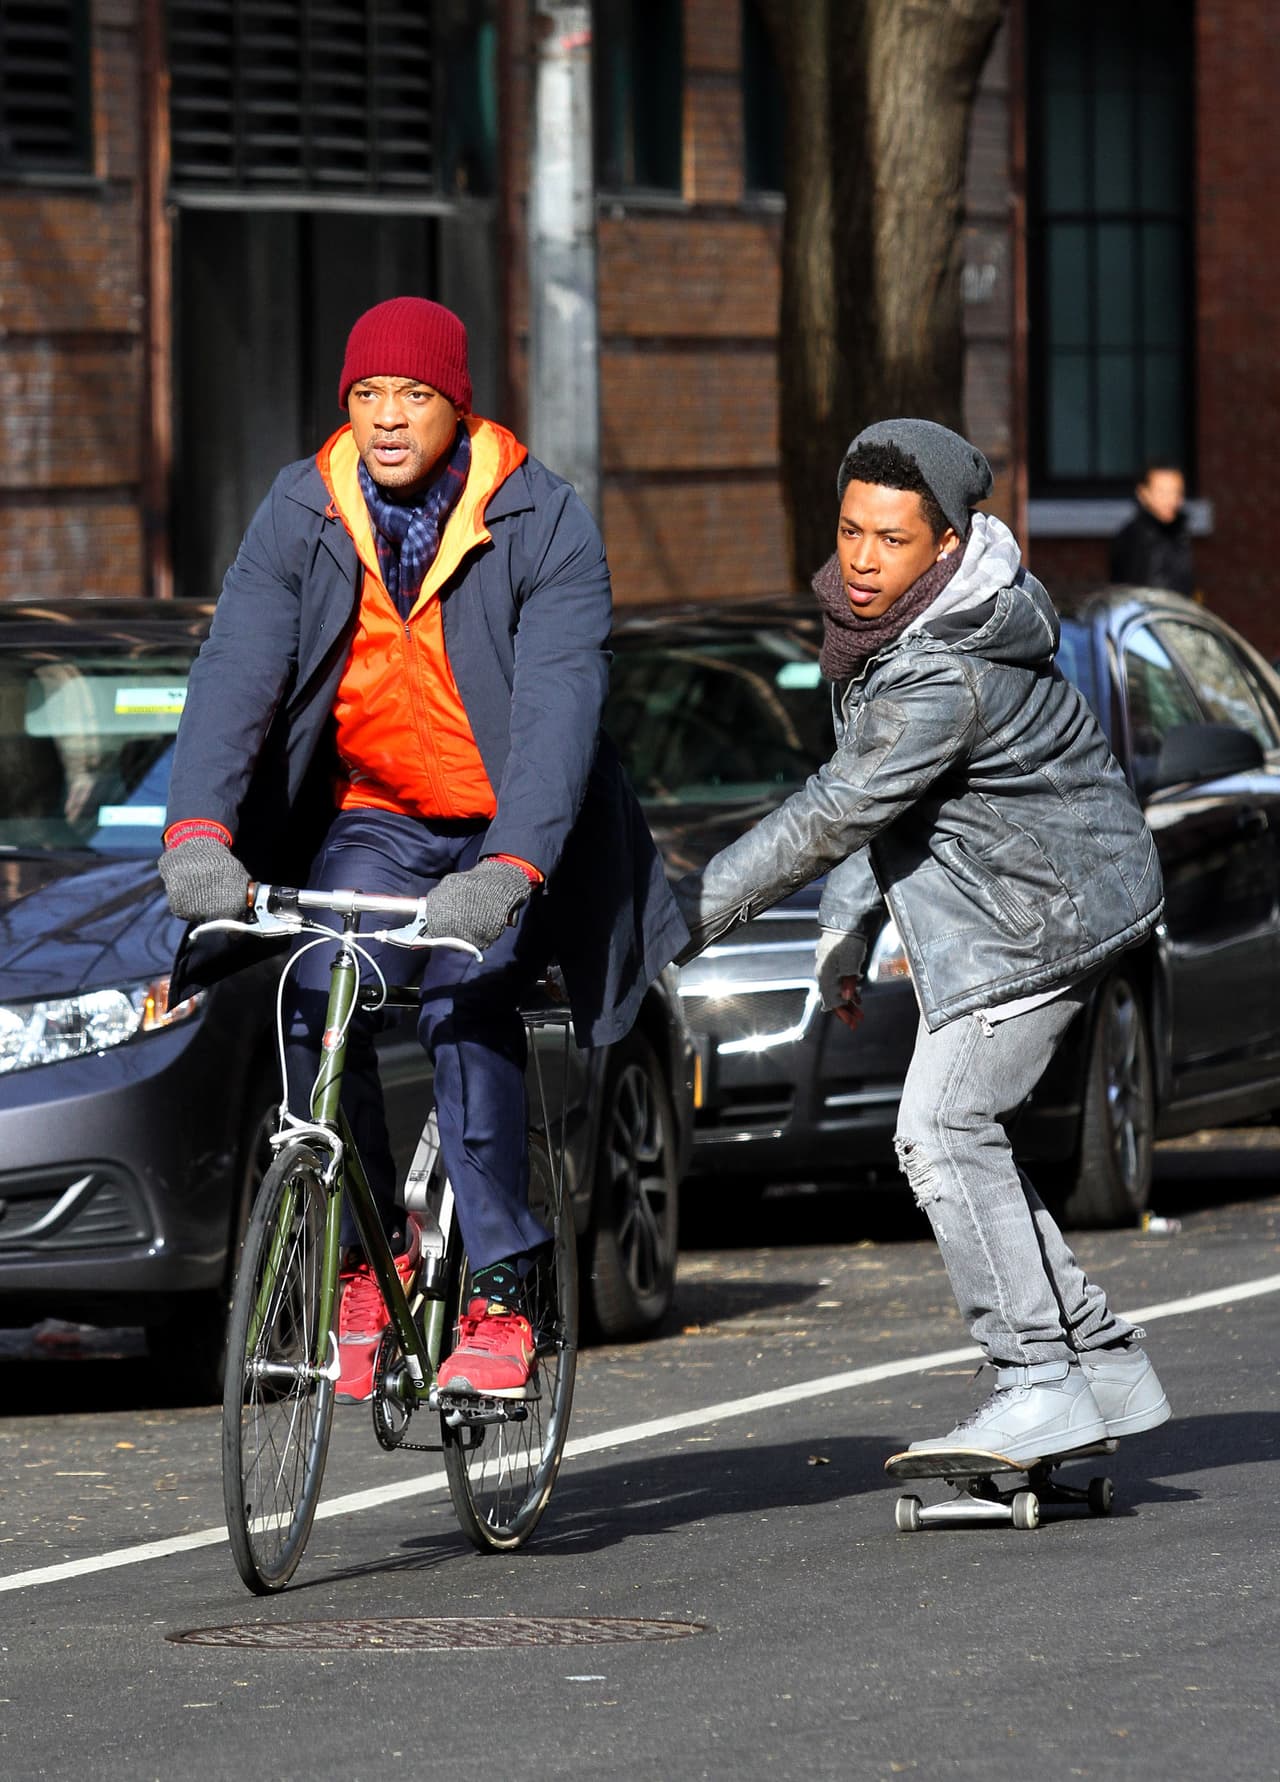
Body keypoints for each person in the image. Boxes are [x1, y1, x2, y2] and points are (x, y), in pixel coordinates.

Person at [159, 296, 684, 1404]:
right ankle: (362, 1259)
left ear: (457, 405)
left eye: (412, 396)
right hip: (380, 815)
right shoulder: (302, 508)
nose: (386, 419)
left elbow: (557, 710)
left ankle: (500, 1285)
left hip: (506, 829)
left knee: (465, 995)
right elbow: (235, 672)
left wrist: (509, 869)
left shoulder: (538, 518)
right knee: (316, 992)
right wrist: (198, 828)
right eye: (364, 396)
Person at [676, 419, 1173, 1462]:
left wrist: (682, 917)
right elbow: (899, 803)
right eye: (850, 530)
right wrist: (845, 929)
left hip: (1034, 916)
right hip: (1031, 896)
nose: (859, 561)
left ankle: (1035, 1377)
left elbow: (834, 811)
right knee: (963, 1136)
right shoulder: (905, 631)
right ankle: (1104, 1364)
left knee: (939, 1132)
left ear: (945, 544)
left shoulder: (938, 665)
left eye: (889, 541)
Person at [1109, 463, 1195, 595]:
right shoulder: (1135, 537)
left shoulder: (1179, 533)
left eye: (1176, 491)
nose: (1171, 499)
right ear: (1143, 493)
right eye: (1162, 492)